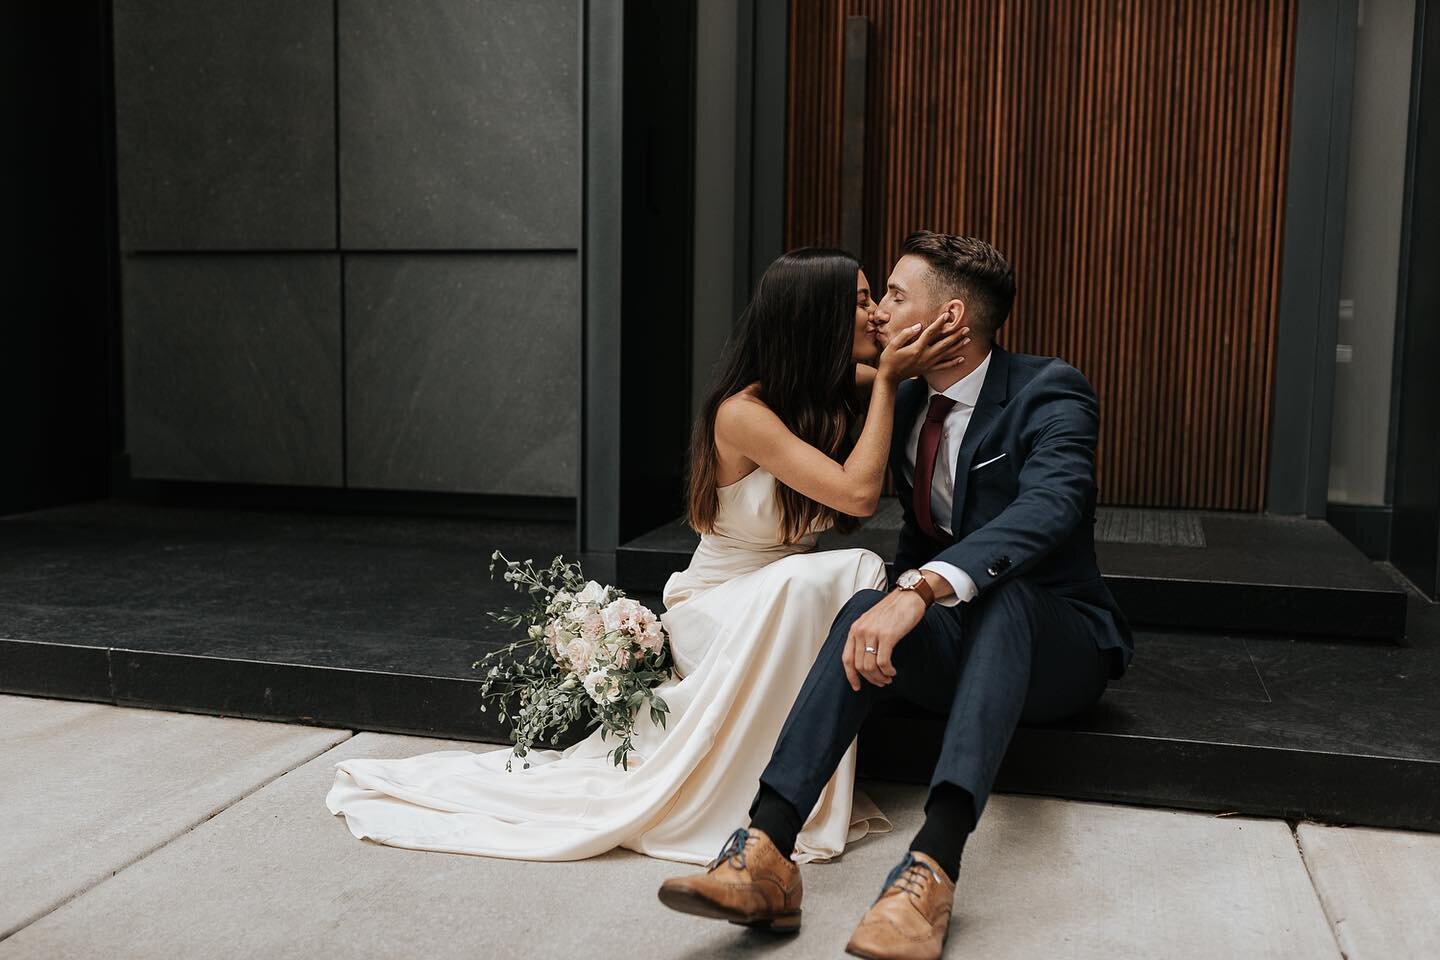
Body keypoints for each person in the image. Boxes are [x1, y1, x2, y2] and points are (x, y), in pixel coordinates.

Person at [325, 247, 970, 864]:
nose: (878, 315)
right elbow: (859, 498)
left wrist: (944, 330)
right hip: (718, 605)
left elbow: (933, 362)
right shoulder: (742, 413)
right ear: (819, 318)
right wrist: (886, 383)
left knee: (826, 577)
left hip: (774, 594)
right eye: (862, 302)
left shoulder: (827, 383)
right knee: (847, 571)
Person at [657, 232, 1135, 960]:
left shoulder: (1049, 389)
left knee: (997, 599)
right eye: (872, 299)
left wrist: (921, 588)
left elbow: (1051, 507)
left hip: (1056, 646)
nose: (877, 312)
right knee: (859, 605)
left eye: (893, 297)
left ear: (950, 319)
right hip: (958, 644)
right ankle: (765, 852)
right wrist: (902, 591)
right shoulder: (903, 399)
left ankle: (931, 871)